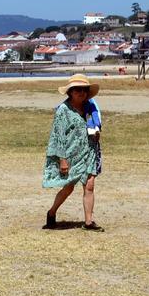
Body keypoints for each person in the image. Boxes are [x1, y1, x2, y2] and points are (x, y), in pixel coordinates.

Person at [43, 74, 103, 231]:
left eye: (84, 89)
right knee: (68, 188)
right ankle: (51, 212)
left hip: (89, 152)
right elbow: (58, 136)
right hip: (71, 154)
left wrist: (97, 133)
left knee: (89, 186)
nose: (81, 92)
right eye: (77, 89)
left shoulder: (91, 108)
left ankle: (89, 222)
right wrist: (62, 159)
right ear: (70, 92)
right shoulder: (63, 110)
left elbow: (95, 126)